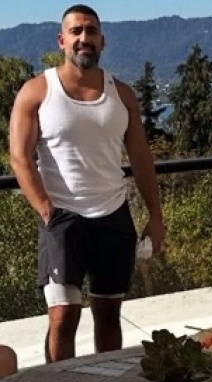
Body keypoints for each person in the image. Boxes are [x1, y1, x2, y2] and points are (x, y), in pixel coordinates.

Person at [8, 4, 164, 363]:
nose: (84, 38)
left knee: (109, 314)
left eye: (91, 31)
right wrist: (47, 212)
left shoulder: (122, 95)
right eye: (76, 31)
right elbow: (19, 157)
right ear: (61, 40)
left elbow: (141, 159)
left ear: (102, 41)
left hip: (114, 216)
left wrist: (155, 216)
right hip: (62, 219)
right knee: (63, 317)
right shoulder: (37, 91)